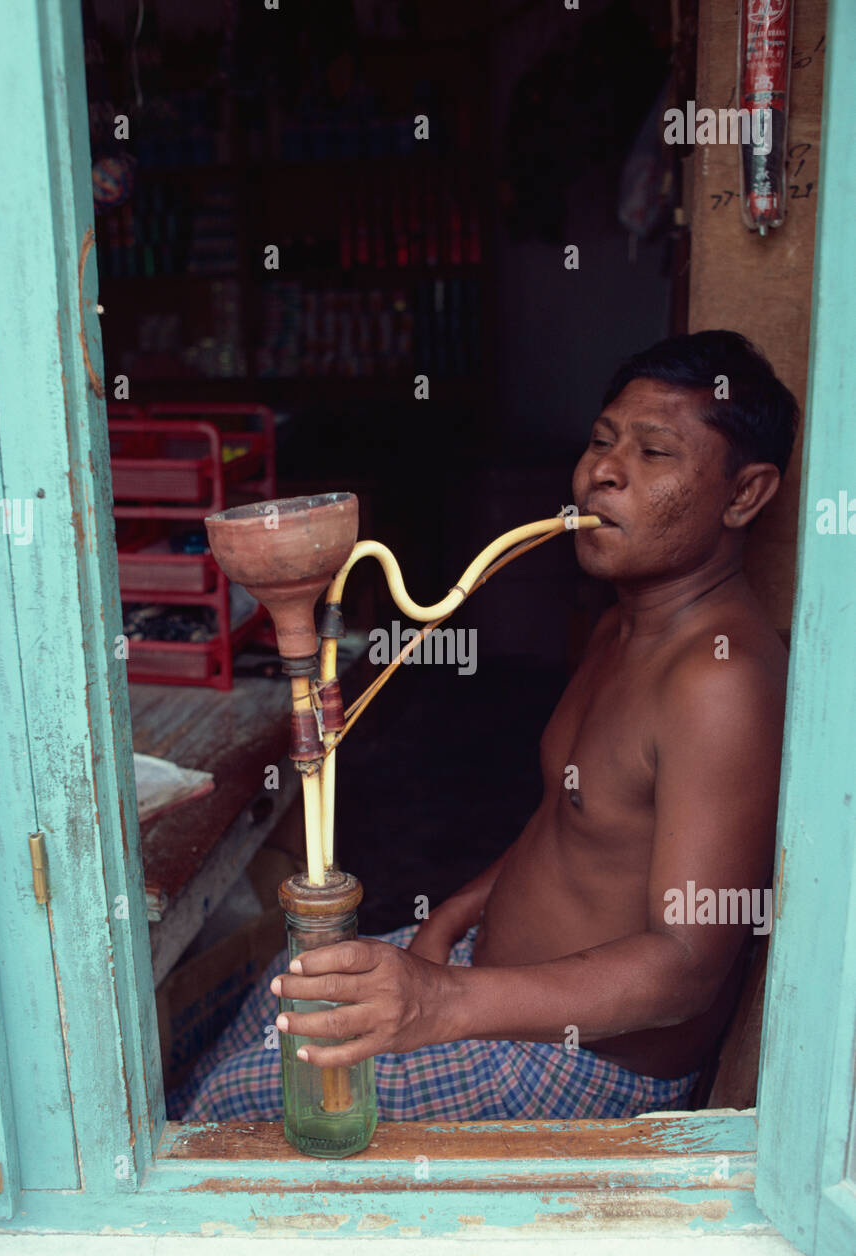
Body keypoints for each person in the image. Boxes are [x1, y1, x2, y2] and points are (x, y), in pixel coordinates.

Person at [170, 330, 798, 1123]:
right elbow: (569, 825)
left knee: (234, 1105)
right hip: (484, 984)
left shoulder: (721, 679)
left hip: (578, 1065)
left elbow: (684, 969)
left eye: (655, 454)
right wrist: (453, 918)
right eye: (602, 441)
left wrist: (442, 999)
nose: (603, 472)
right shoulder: (622, 628)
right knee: (282, 993)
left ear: (744, 495)